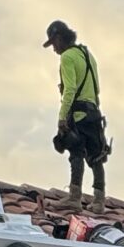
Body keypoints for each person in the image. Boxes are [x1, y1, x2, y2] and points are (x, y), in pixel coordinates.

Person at [45, 20, 109, 205]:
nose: (54, 49)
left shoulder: (67, 57)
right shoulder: (87, 55)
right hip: (94, 112)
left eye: (53, 43)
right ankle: (99, 201)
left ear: (59, 38)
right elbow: (94, 88)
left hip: (79, 113)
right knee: (96, 155)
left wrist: (62, 117)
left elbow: (70, 89)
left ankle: (74, 196)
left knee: (76, 151)